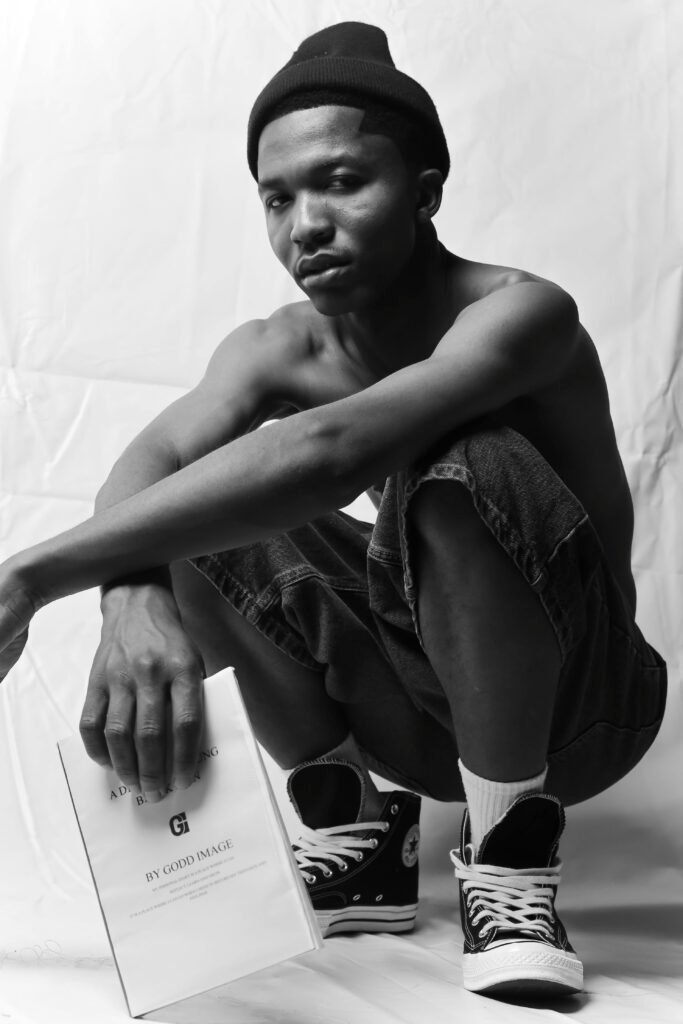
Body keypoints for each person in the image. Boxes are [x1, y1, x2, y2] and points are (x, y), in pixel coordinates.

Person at [0, 20, 667, 999]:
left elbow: (329, 452)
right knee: (196, 510)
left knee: (456, 460)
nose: (303, 224)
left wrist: (29, 575)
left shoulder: (522, 314)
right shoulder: (277, 347)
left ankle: (511, 858)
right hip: (415, 707)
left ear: (426, 190)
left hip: (584, 709)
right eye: (277, 199)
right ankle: (354, 829)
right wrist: (128, 598)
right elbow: (153, 463)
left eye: (342, 181)